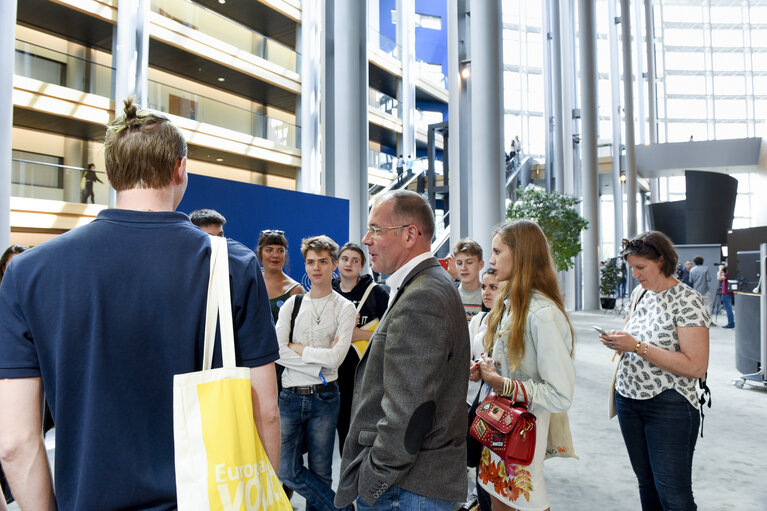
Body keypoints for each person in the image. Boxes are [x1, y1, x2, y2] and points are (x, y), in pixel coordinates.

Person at [0, 99, 281, 510]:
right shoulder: (232, 264)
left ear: (113, 175)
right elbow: (266, 411)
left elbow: (16, 443)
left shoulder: (28, 272)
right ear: (180, 168)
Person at [335, 190, 470, 510]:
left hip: (405, 490)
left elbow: (411, 413)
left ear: (410, 234)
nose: (367, 239)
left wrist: (373, 481)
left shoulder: (423, 296)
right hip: (410, 487)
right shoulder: (425, 285)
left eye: (376, 229)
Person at [600, 232, 710, 511]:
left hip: (669, 405)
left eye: (641, 268)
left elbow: (696, 366)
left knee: (674, 496)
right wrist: (618, 340)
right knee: (646, 485)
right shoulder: (640, 293)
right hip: (628, 399)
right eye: (632, 268)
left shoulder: (687, 300)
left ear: (662, 260)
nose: (635, 275)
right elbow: (631, 332)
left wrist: (637, 346)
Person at [471, 219, 575, 511]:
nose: (490, 261)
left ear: (522, 255)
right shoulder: (511, 304)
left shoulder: (542, 314)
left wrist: (502, 383)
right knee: (496, 498)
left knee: (525, 500)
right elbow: (514, 368)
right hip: (500, 428)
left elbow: (560, 393)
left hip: (523, 435)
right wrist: (488, 369)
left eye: (497, 251)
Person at [275, 235, 356, 511]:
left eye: (323, 262)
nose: (316, 268)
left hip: (325, 398)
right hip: (290, 397)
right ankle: (341, 508)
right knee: (286, 470)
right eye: (311, 262)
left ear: (334, 264)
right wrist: (319, 362)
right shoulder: (292, 304)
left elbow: (337, 358)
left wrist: (298, 349)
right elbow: (278, 352)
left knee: (321, 471)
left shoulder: (345, 307)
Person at [332, 242, 390, 455]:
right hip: (331, 373)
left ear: (362, 266)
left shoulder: (376, 293)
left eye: (355, 260)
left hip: (364, 373)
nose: (349, 264)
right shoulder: (328, 291)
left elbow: (390, 332)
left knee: (357, 428)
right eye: (345, 259)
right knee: (337, 428)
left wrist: (357, 335)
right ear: (337, 263)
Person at [463, 268, 500, 511]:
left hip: (501, 407)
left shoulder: (515, 321)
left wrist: (490, 370)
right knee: (477, 464)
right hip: (476, 402)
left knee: (495, 474)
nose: (486, 292)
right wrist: (471, 366)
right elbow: (467, 354)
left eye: (493, 287)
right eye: (484, 287)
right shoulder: (479, 320)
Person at [257, 229, 305, 323]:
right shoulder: (251, 282)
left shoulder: (295, 290)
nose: (275, 255)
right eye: (269, 250)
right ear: (260, 253)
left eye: (280, 250)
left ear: (285, 255)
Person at [452, 238, 485, 322]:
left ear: (481, 265)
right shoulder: (450, 293)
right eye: (459, 263)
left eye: (469, 262)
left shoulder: (489, 294)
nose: (463, 268)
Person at [718, 259, 735, 328]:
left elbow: (719, 278)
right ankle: (731, 322)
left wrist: (720, 270)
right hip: (730, 291)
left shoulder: (728, 272)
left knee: (728, 308)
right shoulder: (732, 270)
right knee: (729, 308)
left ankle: (731, 323)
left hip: (726, 292)